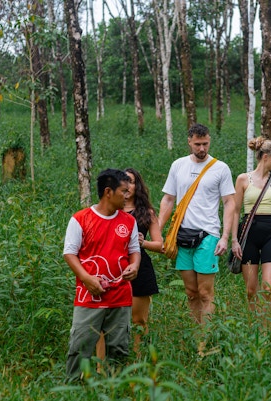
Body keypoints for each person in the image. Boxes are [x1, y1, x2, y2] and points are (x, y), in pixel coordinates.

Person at [63, 169, 141, 381]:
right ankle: (73, 389)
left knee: (118, 347)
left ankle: (115, 386)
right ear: (108, 192)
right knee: (80, 345)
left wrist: (134, 266)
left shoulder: (129, 222)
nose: (127, 196)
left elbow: (134, 250)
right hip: (89, 296)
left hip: (120, 296)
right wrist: (87, 279)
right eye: (123, 191)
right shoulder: (80, 219)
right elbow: (69, 253)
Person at [158, 123, 235, 325]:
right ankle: (195, 332)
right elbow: (168, 199)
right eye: (198, 144)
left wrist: (225, 237)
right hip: (183, 235)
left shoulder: (220, 168)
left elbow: (229, 203)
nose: (202, 149)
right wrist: (157, 231)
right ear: (189, 142)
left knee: (205, 292)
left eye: (206, 144)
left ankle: (205, 339)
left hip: (208, 234)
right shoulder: (178, 165)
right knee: (191, 292)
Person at [96, 168, 163, 361]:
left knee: (138, 320)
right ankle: (103, 365)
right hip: (111, 267)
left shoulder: (146, 212)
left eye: (131, 182)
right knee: (105, 319)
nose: (127, 186)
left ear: (137, 185)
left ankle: (136, 359)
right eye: (124, 182)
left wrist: (143, 242)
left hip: (139, 268)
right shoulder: (110, 210)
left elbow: (160, 245)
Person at [231, 137, 271, 315]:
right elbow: (235, 211)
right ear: (265, 157)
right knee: (251, 290)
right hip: (248, 233)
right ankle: (254, 328)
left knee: (267, 289)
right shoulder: (243, 179)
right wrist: (234, 240)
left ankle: (267, 328)